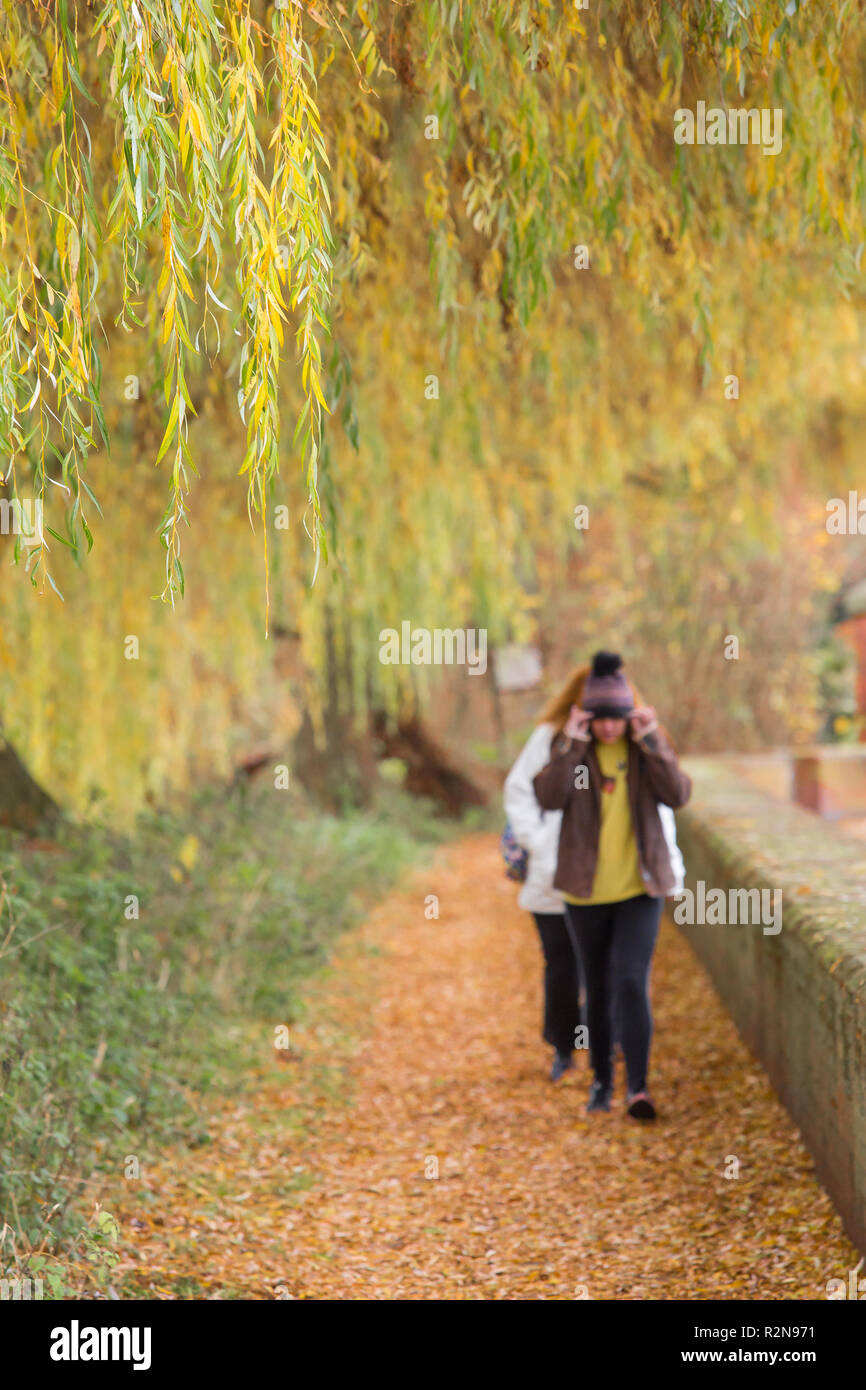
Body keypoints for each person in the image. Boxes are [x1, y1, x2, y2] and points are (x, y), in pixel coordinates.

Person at [504, 660, 685, 1086]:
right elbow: (522, 792)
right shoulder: (552, 738)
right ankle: (564, 1047)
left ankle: (606, 1047)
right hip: (556, 877)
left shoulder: (637, 740)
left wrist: (669, 868)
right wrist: (540, 842)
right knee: (561, 965)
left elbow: (660, 809)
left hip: (612, 881)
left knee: (607, 970)